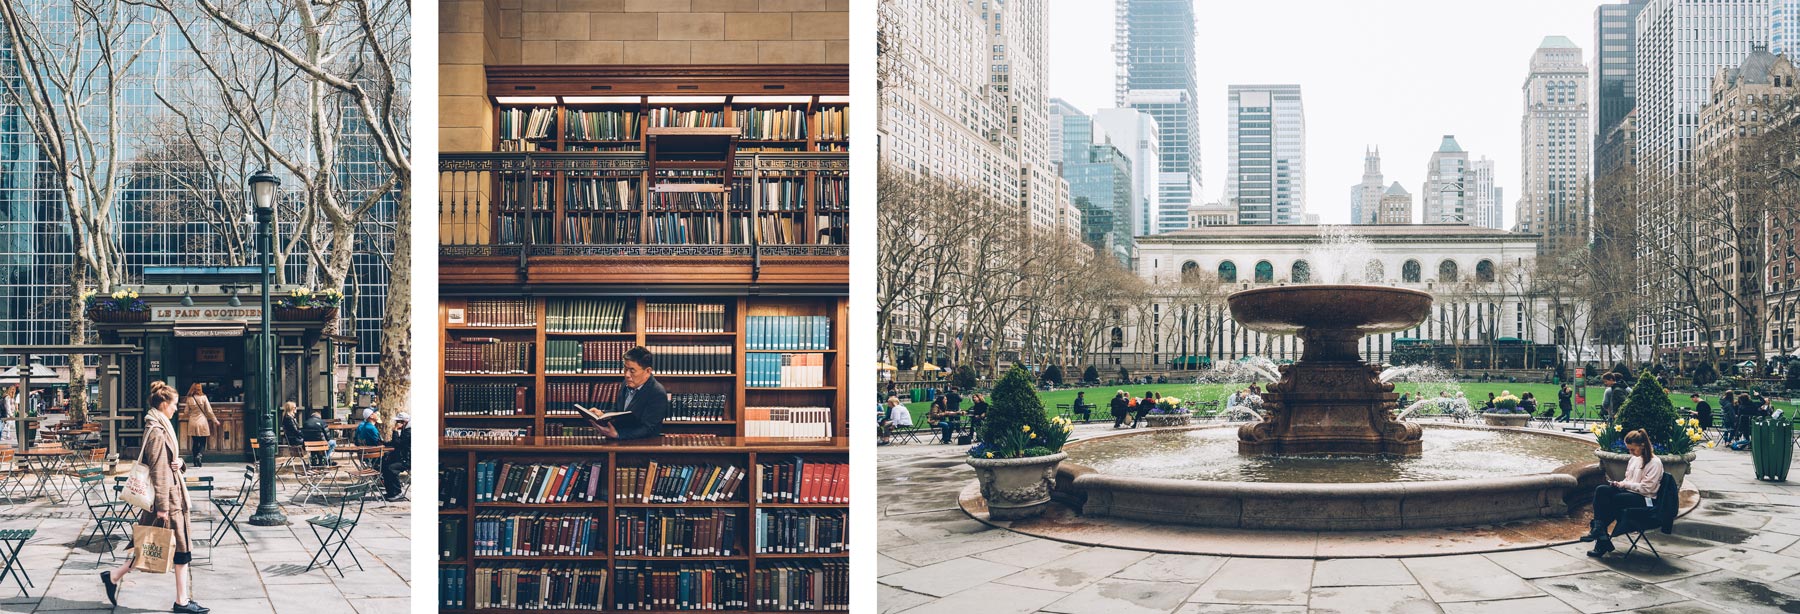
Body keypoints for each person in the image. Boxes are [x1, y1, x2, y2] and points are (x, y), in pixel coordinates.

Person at [101, 381, 207, 613]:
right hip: (168, 500)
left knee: (150, 543)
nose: (176, 409)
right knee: (179, 548)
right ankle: (182, 602)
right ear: (163, 404)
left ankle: (114, 576)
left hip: (169, 497)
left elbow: (168, 464)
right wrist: (162, 507)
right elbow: (159, 471)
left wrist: (181, 463)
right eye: (174, 404)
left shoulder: (160, 427)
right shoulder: (157, 432)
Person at [1583, 429, 1664, 557]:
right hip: (1630, 492)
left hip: (1646, 499)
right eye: (1629, 449)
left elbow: (1646, 489)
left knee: (1616, 500)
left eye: (1633, 449)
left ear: (1642, 445)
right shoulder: (1634, 459)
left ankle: (1600, 538)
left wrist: (1625, 484)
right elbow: (1629, 480)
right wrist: (1620, 484)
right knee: (1601, 490)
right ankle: (1600, 531)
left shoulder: (1655, 463)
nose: (1630, 452)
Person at [582, 346, 670, 440]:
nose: (627, 375)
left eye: (632, 370)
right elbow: (618, 411)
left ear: (648, 371)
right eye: (625, 369)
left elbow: (648, 428)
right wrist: (601, 414)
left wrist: (618, 434)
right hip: (620, 443)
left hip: (644, 446)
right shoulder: (626, 384)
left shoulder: (657, 393)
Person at [180, 383, 220, 468]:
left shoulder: (189, 399)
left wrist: (183, 416)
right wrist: (215, 420)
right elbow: (209, 411)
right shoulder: (204, 397)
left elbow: (186, 412)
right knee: (202, 441)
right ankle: (199, 455)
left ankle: (195, 461)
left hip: (192, 422)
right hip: (202, 421)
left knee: (195, 442)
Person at [381, 412, 411, 501]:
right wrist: (384, 444)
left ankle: (398, 492)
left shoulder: (409, 432)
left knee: (391, 469)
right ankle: (391, 492)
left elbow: (398, 443)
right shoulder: (405, 430)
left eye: (398, 421)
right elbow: (397, 442)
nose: (396, 423)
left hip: (408, 460)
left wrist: (395, 430)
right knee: (385, 467)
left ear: (403, 422)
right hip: (403, 458)